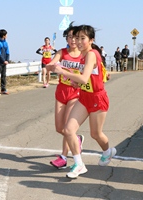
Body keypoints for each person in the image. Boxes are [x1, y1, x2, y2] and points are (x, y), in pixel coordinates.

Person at [47, 25, 116, 179]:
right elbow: (90, 79)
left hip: (98, 99)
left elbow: (85, 77)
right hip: (84, 97)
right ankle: (79, 164)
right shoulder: (84, 56)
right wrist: (77, 84)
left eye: (82, 38)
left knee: (96, 134)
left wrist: (63, 72)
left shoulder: (92, 54)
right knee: (68, 129)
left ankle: (107, 151)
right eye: (76, 38)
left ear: (91, 40)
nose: (78, 41)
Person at [45, 23, 84, 169]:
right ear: (66, 39)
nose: (73, 40)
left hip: (76, 93)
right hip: (61, 92)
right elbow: (50, 65)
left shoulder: (83, 55)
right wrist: (55, 66)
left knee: (68, 127)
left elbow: (90, 74)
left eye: (75, 37)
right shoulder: (62, 53)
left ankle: (64, 157)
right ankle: (76, 139)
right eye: (69, 37)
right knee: (59, 128)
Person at [0, 29, 10, 94]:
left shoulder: (5, 42)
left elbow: (7, 52)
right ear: (4, 35)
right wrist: (3, 60)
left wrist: (7, 60)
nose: (7, 36)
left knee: (3, 76)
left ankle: (3, 89)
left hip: (4, 62)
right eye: (6, 35)